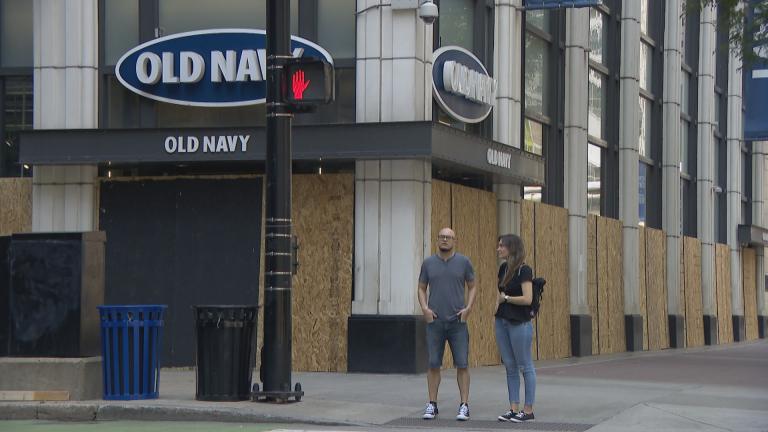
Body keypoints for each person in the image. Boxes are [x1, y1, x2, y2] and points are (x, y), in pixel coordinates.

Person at [417, 227, 477, 421]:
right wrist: (425, 308)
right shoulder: (428, 263)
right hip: (435, 322)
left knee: (462, 364)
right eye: (442, 237)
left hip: (457, 323)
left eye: (448, 237)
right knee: (433, 364)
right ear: (437, 240)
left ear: (454, 240)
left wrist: (468, 308)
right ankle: (432, 405)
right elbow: (421, 287)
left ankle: (464, 405)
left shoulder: (464, 262)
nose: (445, 240)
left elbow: (473, 285)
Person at [494, 234, 536, 423]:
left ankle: (528, 410)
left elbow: (527, 299)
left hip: (519, 322)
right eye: (499, 245)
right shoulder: (503, 268)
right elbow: (499, 293)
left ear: (512, 248)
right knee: (510, 365)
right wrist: (496, 308)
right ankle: (513, 408)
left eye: (502, 246)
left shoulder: (524, 270)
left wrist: (507, 299)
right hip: (502, 321)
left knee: (524, 366)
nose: (499, 249)